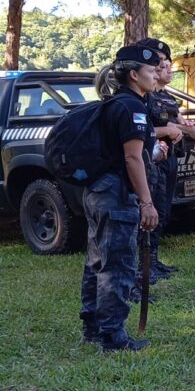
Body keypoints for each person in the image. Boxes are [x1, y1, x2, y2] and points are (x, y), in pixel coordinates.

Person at [80, 45, 161, 352]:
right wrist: (146, 202)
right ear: (134, 74)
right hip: (114, 194)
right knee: (117, 264)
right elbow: (133, 158)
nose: (155, 76)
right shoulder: (132, 108)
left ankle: (92, 326)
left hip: (97, 191)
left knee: (96, 260)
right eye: (151, 71)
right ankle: (113, 337)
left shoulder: (115, 103)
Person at [137, 37, 195, 276]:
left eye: (165, 61)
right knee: (148, 212)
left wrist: (181, 127)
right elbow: (141, 129)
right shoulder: (140, 96)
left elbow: (176, 120)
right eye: (161, 62)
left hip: (169, 158)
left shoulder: (165, 96)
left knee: (163, 211)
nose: (164, 66)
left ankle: (152, 260)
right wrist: (168, 131)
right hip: (149, 159)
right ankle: (142, 266)